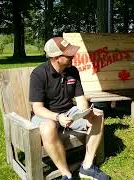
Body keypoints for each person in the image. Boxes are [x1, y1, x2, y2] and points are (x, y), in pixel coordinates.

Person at [29, 37, 110, 180]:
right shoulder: (39, 74)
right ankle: (66, 174)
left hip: (69, 113)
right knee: (48, 127)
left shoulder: (72, 71)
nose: (73, 55)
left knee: (98, 115)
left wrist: (85, 112)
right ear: (56, 58)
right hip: (46, 116)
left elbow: (80, 98)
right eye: (69, 54)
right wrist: (57, 118)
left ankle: (87, 166)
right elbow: (37, 108)